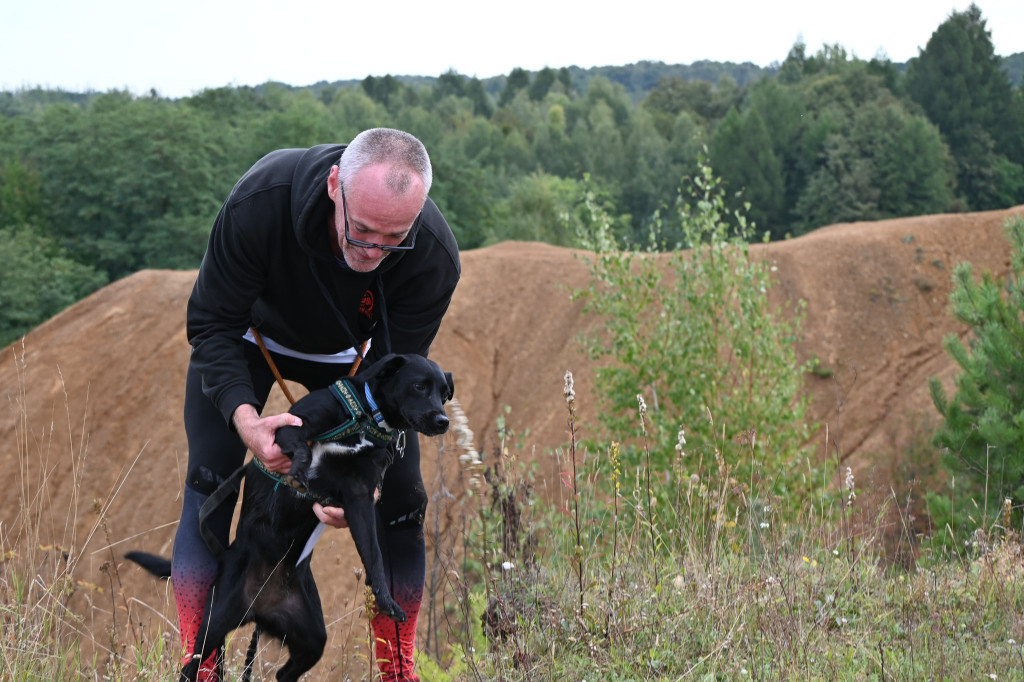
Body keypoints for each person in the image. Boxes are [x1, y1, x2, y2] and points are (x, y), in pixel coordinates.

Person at [175, 128, 461, 682]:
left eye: (393, 238)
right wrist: (246, 421)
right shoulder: (261, 200)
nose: (373, 251)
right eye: (361, 231)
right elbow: (211, 325)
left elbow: (399, 375)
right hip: (252, 342)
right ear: (335, 186)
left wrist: (366, 480)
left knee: (402, 498)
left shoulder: (433, 257)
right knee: (208, 477)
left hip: (360, 359)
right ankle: (201, 665)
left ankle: (397, 670)